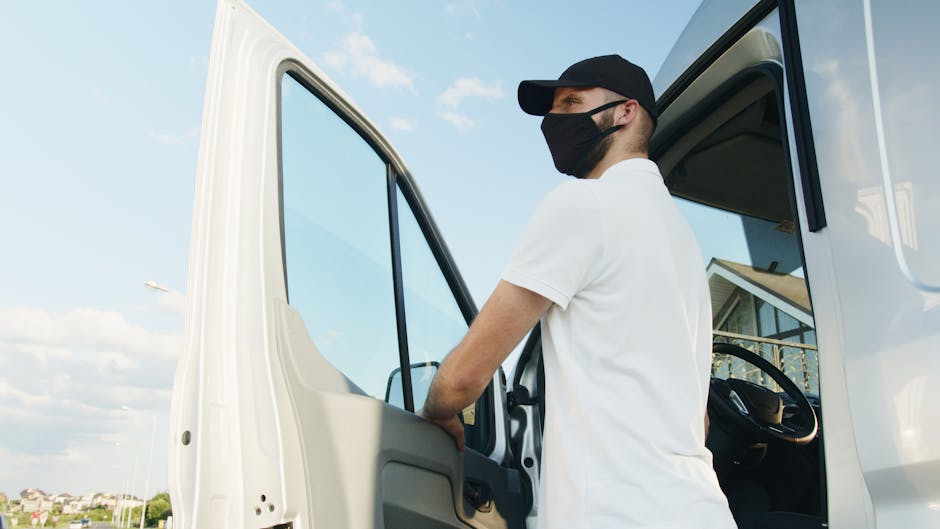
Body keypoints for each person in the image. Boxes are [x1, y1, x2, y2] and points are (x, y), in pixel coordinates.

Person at [419, 55, 735, 529]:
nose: (555, 119)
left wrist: (436, 410)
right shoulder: (683, 242)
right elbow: (698, 422)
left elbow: (464, 378)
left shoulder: (585, 204)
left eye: (571, 102)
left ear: (626, 111)